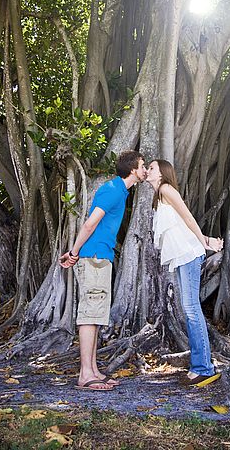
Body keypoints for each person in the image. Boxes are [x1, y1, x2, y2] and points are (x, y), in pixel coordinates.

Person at [59, 150, 147, 391]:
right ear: (132, 170)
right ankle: (85, 374)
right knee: (89, 314)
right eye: (143, 166)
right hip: (94, 256)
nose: (145, 169)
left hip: (101, 256)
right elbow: (90, 223)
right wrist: (74, 252)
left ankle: (94, 369)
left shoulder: (121, 191)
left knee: (96, 315)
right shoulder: (111, 190)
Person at [146, 159, 223, 386]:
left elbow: (187, 216)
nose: (148, 170)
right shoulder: (158, 195)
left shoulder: (166, 189)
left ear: (162, 173)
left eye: (151, 167)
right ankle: (200, 365)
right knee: (189, 309)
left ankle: (204, 368)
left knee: (191, 310)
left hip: (190, 254)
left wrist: (205, 241)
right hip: (184, 257)